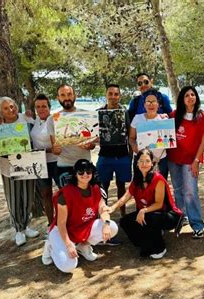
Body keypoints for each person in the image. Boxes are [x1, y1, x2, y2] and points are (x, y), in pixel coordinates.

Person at [41, 159, 119, 273]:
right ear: (75, 174)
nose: (85, 175)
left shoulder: (96, 189)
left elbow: (102, 209)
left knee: (112, 227)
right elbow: (61, 224)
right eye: (81, 172)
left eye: (88, 171)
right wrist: (68, 245)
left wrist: (106, 224)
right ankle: (51, 247)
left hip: (83, 226)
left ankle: (83, 246)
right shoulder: (65, 194)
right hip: (63, 230)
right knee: (69, 266)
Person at [109, 149, 183, 259]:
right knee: (125, 221)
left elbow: (158, 204)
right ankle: (145, 243)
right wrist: (112, 207)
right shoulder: (137, 179)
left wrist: (143, 210)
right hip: (149, 214)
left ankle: (160, 248)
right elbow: (126, 196)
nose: (144, 164)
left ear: (152, 163)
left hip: (166, 214)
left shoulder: (158, 179)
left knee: (149, 218)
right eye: (141, 161)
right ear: (137, 163)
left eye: (147, 161)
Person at [167, 86, 204, 239]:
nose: (190, 97)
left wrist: (196, 160)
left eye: (193, 94)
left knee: (191, 191)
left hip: (191, 160)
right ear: (182, 99)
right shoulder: (173, 115)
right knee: (178, 190)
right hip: (174, 159)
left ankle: (197, 225)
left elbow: (203, 141)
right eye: (187, 95)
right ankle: (181, 217)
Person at [0, 96, 40, 246]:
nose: (11, 109)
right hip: (8, 166)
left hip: (27, 163)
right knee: (14, 198)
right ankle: (18, 230)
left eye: (12, 106)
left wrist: (31, 116)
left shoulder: (25, 118)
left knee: (28, 197)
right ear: (0, 112)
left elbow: (36, 134)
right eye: (6, 108)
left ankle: (26, 225)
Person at [96, 84, 132, 218]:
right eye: (110, 94)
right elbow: (93, 135)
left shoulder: (125, 112)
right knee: (102, 186)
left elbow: (130, 134)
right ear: (106, 95)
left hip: (122, 155)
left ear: (119, 96)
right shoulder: (99, 112)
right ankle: (103, 215)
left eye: (116, 94)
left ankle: (123, 215)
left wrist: (130, 155)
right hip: (105, 156)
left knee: (121, 185)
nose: (113, 97)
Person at [50, 84, 96, 187]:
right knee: (68, 201)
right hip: (64, 167)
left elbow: (92, 145)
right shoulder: (52, 119)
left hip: (85, 164)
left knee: (88, 200)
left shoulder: (87, 115)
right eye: (62, 95)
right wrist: (56, 149)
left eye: (69, 94)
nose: (67, 98)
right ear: (58, 98)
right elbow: (55, 149)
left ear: (74, 96)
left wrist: (90, 145)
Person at [29, 93, 60, 225]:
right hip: (40, 163)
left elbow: (58, 145)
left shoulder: (55, 120)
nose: (41, 109)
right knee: (46, 194)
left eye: (44, 106)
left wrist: (45, 151)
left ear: (49, 107)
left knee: (62, 193)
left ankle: (63, 221)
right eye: (38, 107)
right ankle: (51, 223)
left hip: (56, 162)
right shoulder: (33, 121)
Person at [129, 89, 169, 179]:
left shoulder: (164, 120)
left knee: (160, 187)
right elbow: (131, 138)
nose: (151, 104)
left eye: (154, 101)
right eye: (148, 102)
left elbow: (170, 140)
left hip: (160, 160)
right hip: (141, 159)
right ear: (144, 105)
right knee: (140, 187)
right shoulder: (137, 118)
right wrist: (133, 145)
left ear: (158, 105)